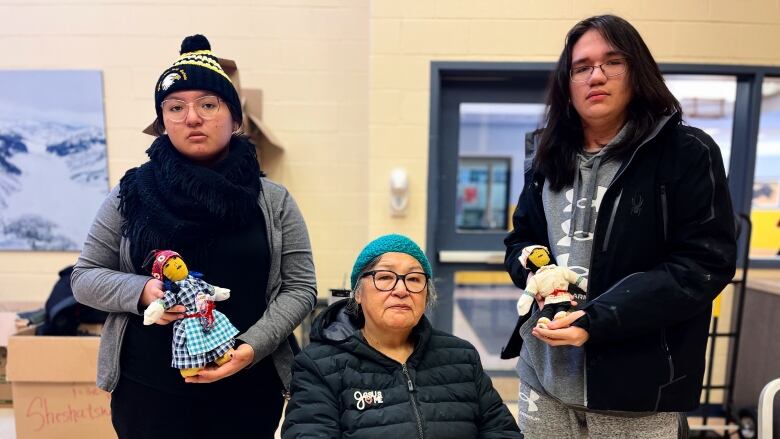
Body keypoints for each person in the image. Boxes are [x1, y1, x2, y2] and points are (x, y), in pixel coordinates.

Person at [501, 15, 737, 438]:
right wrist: (536, 276)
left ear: (637, 71)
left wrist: (596, 317)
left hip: (637, 393)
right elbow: (522, 239)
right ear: (566, 83)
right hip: (544, 383)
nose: (596, 76)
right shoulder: (546, 155)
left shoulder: (687, 153)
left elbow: (703, 265)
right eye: (581, 67)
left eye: (612, 62)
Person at [71, 34, 316, 439]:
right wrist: (145, 291)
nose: (192, 118)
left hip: (248, 389)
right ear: (162, 122)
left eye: (208, 104)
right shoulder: (130, 194)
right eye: (175, 107)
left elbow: (300, 287)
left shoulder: (273, 201)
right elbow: (85, 277)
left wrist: (252, 348)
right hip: (148, 394)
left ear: (235, 119)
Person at [283, 234, 522, 438]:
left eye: (414, 279)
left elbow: (501, 431)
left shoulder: (462, 357)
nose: (401, 290)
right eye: (385, 277)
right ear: (357, 294)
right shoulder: (319, 365)